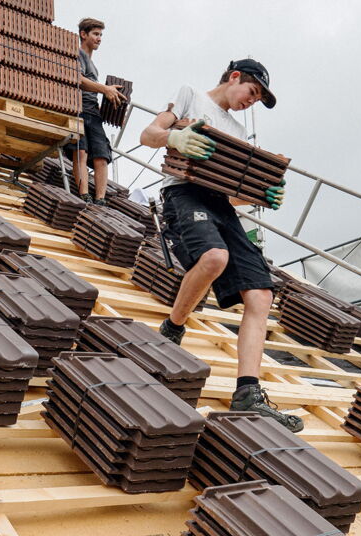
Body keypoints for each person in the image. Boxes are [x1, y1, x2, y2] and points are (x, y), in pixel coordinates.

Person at [139, 59, 300, 433]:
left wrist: (264, 196)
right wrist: (173, 137)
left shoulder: (238, 131)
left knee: (261, 295)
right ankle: (173, 328)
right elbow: (149, 134)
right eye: (252, 92)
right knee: (214, 257)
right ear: (234, 78)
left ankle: (248, 392)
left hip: (220, 205)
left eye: (258, 98)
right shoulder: (190, 95)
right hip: (183, 193)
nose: (251, 101)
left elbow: (232, 190)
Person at [69, 17, 124, 205]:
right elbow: (79, 80)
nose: (99, 38)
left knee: (102, 156)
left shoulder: (94, 66)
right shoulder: (77, 55)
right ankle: (84, 194)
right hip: (79, 109)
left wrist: (113, 111)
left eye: (101, 35)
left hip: (93, 112)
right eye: (95, 34)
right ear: (83, 34)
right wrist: (104, 89)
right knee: (81, 151)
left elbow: (92, 87)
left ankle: (100, 199)